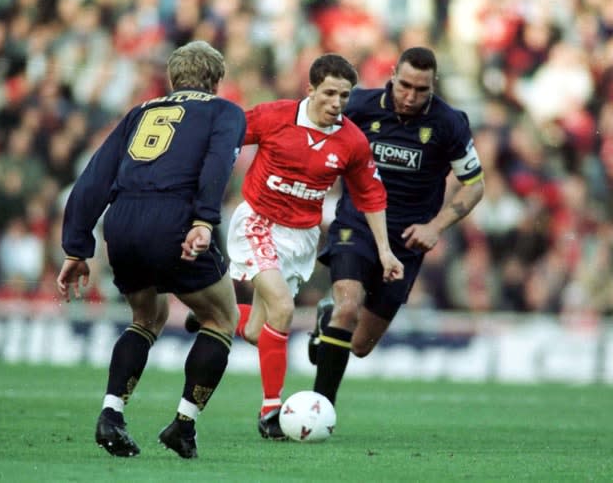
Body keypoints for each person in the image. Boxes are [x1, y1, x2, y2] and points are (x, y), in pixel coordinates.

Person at [185, 53, 403, 439]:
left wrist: (386, 251)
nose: (337, 103)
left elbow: (371, 196)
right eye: (330, 93)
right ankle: (271, 411)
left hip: (300, 236)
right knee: (283, 309)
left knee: (259, 331)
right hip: (257, 221)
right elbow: (225, 136)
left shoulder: (351, 140)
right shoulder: (274, 116)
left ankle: (219, 314)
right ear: (311, 89)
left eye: (345, 96)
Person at [56, 40, 246, 459]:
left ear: (173, 79)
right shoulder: (224, 111)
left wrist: (76, 248)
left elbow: (94, 176)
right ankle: (183, 425)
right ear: (216, 80)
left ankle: (112, 412)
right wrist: (203, 219)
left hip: (122, 222)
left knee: (147, 316)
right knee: (221, 318)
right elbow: (218, 164)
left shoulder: (140, 112)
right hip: (175, 217)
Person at [308, 46, 485, 406]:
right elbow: (310, 127)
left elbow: (476, 184)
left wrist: (436, 227)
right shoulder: (358, 106)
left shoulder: (449, 123)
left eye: (421, 90)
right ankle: (319, 408)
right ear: (392, 74)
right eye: (404, 85)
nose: (410, 96)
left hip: (408, 240)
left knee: (359, 345)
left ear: (432, 86)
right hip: (356, 224)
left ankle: (326, 322)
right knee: (348, 307)